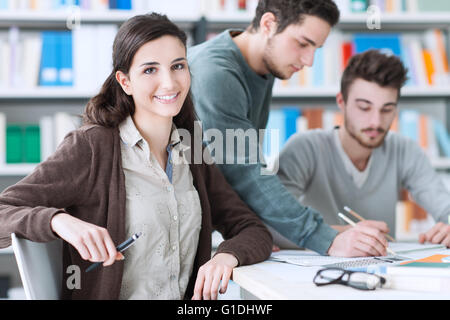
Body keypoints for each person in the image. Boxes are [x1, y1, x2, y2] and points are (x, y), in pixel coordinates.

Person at [0, 13, 272, 300]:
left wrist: (225, 257)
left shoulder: (191, 150)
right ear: (125, 81)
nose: (169, 83)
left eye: (177, 66)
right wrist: (58, 221)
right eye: (150, 70)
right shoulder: (92, 147)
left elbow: (252, 228)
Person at [188, 0, 389, 257]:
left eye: (316, 48)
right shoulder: (216, 73)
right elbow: (245, 174)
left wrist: (335, 232)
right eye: (303, 43)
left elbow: (236, 171)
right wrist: (327, 239)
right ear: (268, 24)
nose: (309, 61)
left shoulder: (263, 66)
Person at [277, 49, 450, 251]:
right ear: (341, 102)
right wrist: (339, 236)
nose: (375, 122)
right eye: (364, 107)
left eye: (387, 109)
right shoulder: (304, 149)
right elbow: (274, 225)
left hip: (382, 274)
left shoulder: (404, 150)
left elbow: (443, 205)